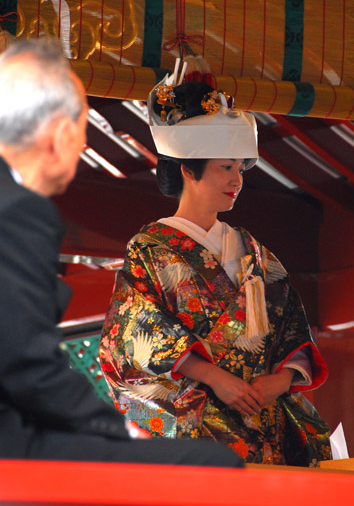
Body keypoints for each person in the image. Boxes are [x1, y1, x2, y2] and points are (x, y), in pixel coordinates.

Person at [0, 39, 242, 467]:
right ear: (60, 134)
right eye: (81, 130)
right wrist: (115, 430)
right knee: (212, 465)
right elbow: (26, 365)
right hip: (13, 436)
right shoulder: (18, 210)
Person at [100, 71, 332, 465]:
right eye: (226, 167)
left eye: (240, 168)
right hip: (196, 419)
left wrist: (278, 381)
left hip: (262, 415)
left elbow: (292, 330)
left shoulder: (257, 253)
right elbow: (129, 335)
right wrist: (213, 377)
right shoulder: (150, 249)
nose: (237, 180)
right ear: (189, 170)